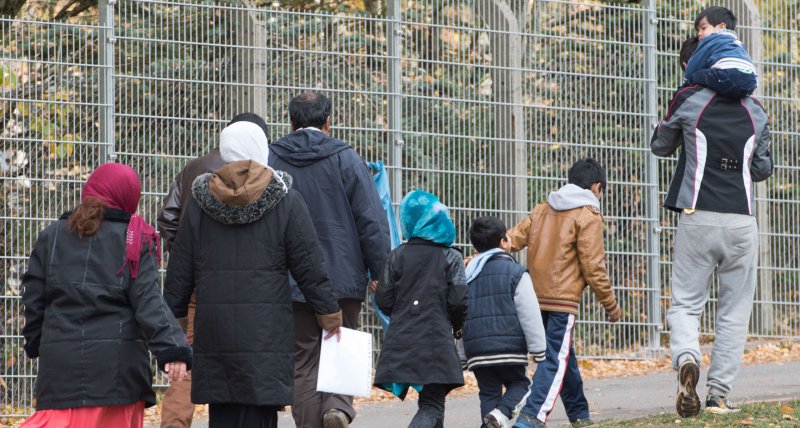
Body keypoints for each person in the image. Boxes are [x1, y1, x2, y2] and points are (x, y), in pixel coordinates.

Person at [163, 120, 343, 428]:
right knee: (260, 415)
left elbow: (180, 270)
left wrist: (173, 326)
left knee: (223, 412)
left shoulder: (199, 203)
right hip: (265, 333)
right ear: (262, 150)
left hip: (215, 331)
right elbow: (310, 266)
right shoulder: (285, 199)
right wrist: (329, 314)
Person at [652, 36, 773, 418]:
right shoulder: (757, 111)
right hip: (742, 221)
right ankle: (719, 396)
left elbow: (660, 145)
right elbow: (762, 169)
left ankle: (687, 357)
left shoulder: (690, 99)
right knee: (735, 311)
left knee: (688, 303)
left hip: (697, 215)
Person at [21, 163, 192, 428]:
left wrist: (35, 340)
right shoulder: (134, 239)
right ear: (128, 197)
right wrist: (171, 348)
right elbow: (148, 300)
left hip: (60, 369)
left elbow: (34, 298)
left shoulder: (51, 236)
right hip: (118, 372)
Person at [269, 91, 391, 428]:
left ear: (291, 121)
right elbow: (371, 219)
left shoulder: (272, 159)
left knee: (303, 359)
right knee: (340, 344)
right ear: (327, 121)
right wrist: (379, 269)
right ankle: (337, 406)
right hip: (342, 275)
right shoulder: (346, 158)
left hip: (290, 281)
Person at [157, 112, 270, 428]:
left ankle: (175, 423)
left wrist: (186, 255)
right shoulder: (263, 173)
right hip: (248, 282)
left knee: (186, 355)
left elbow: (167, 218)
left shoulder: (195, 167)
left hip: (196, 279)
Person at [507, 158, 622, 428]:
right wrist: (610, 303)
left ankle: (579, 414)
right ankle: (531, 416)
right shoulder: (587, 214)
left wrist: (477, 256)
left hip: (535, 299)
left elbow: (510, 239)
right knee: (554, 360)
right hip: (563, 300)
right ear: (596, 187)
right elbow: (593, 266)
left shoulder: (542, 210)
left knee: (562, 355)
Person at [373, 190, 468, 428]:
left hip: (402, 339)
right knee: (432, 405)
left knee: (432, 402)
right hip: (435, 338)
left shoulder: (396, 256)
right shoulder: (452, 257)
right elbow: (459, 301)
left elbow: (383, 300)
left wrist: (405, 312)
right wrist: (457, 328)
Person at [462, 216, 546, 428]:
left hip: (478, 350)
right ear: (503, 242)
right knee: (521, 384)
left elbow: (461, 314)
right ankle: (500, 415)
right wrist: (538, 349)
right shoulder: (516, 273)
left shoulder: (467, 275)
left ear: (475, 245)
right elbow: (529, 312)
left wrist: (462, 354)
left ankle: (492, 420)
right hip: (509, 349)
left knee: (489, 393)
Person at [682, 6, 757, 99]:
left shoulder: (710, 40)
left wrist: (686, 80)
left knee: (697, 75)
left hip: (728, 74)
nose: (699, 34)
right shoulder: (738, 43)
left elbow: (696, 62)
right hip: (750, 81)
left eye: (703, 28)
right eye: (698, 30)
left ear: (722, 27)